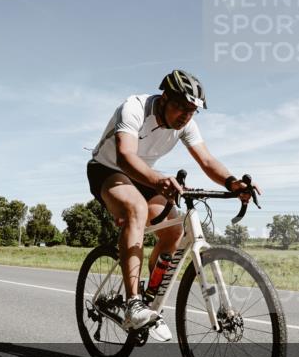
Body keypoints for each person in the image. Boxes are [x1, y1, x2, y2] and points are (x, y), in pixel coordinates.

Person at [87, 70, 260, 340]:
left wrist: (232, 182)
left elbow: (206, 160)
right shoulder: (134, 108)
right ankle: (133, 305)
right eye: (181, 106)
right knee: (137, 209)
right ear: (165, 98)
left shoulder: (185, 124)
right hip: (108, 169)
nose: (186, 115)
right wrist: (158, 180)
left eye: (192, 111)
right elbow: (124, 156)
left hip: (143, 174)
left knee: (174, 231)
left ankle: (151, 301)